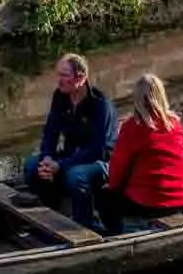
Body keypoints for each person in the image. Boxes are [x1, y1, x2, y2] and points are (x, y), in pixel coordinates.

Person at [22, 53, 116, 228]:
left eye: (64, 76)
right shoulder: (60, 97)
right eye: (58, 75)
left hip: (100, 162)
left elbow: (99, 149)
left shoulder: (100, 105)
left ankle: (85, 224)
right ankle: (50, 213)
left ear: (80, 78)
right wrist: (47, 158)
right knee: (32, 166)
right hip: (70, 157)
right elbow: (50, 133)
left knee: (76, 175)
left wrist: (62, 165)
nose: (58, 80)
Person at [96, 73, 183, 234]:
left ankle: (115, 234)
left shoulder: (132, 127)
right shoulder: (175, 124)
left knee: (104, 197)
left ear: (137, 99)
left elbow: (117, 168)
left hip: (148, 203)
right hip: (180, 198)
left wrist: (111, 186)